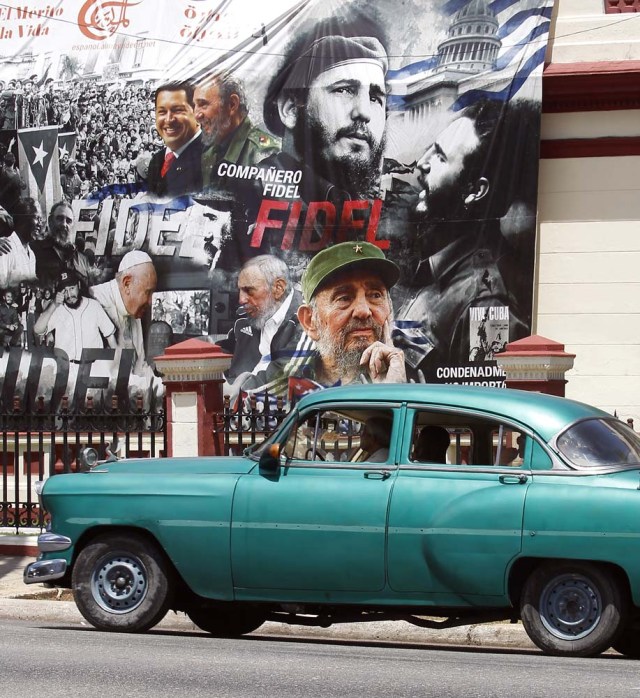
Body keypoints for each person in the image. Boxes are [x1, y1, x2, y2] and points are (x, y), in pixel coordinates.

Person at [396, 99, 535, 377]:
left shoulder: (488, 304)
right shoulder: (431, 268)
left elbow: (487, 407)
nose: (421, 164)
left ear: (476, 191)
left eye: (440, 156)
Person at [262, 31, 389, 203]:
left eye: (374, 99)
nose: (364, 112)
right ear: (291, 109)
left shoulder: (375, 209)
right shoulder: (250, 193)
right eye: (344, 90)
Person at [285, 241, 406, 391]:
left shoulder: (415, 374)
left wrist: (396, 394)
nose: (363, 311)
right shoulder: (279, 386)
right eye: (344, 298)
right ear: (310, 320)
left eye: (375, 295)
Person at [215, 254, 303, 399]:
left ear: (278, 288)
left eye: (249, 290)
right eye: (240, 291)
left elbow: (283, 373)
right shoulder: (247, 317)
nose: (241, 299)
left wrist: (236, 392)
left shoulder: (307, 320)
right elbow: (226, 349)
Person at [193, 72, 279, 190]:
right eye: (195, 105)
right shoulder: (209, 151)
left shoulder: (265, 154)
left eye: (203, 104)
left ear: (232, 104)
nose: (196, 115)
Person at [89, 250, 157, 378]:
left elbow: (140, 367)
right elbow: (108, 377)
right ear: (126, 284)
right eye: (148, 292)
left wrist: (166, 386)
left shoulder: (132, 308)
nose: (150, 302)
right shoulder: (92, 303)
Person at [33, 269, 117, 361]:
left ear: (79, 285)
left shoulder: (94, 306)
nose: (69, 295)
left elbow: (110, 338)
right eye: (65, 290)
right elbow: (38, 329)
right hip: (67, 368)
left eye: (72, 288)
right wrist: (53, 305)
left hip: (93, 366)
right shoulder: (57, 309)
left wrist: (116, 365)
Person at [146, 81, 203, 197]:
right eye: (162, 112)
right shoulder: (156, 160)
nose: (168, 119)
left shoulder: (213, 158)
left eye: (177, 110)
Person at [0, 196, 40, 288]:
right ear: (22, 221)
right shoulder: (5, 249)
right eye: (36, 218)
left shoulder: (31, 254)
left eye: (40, 219)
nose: (40, 224)